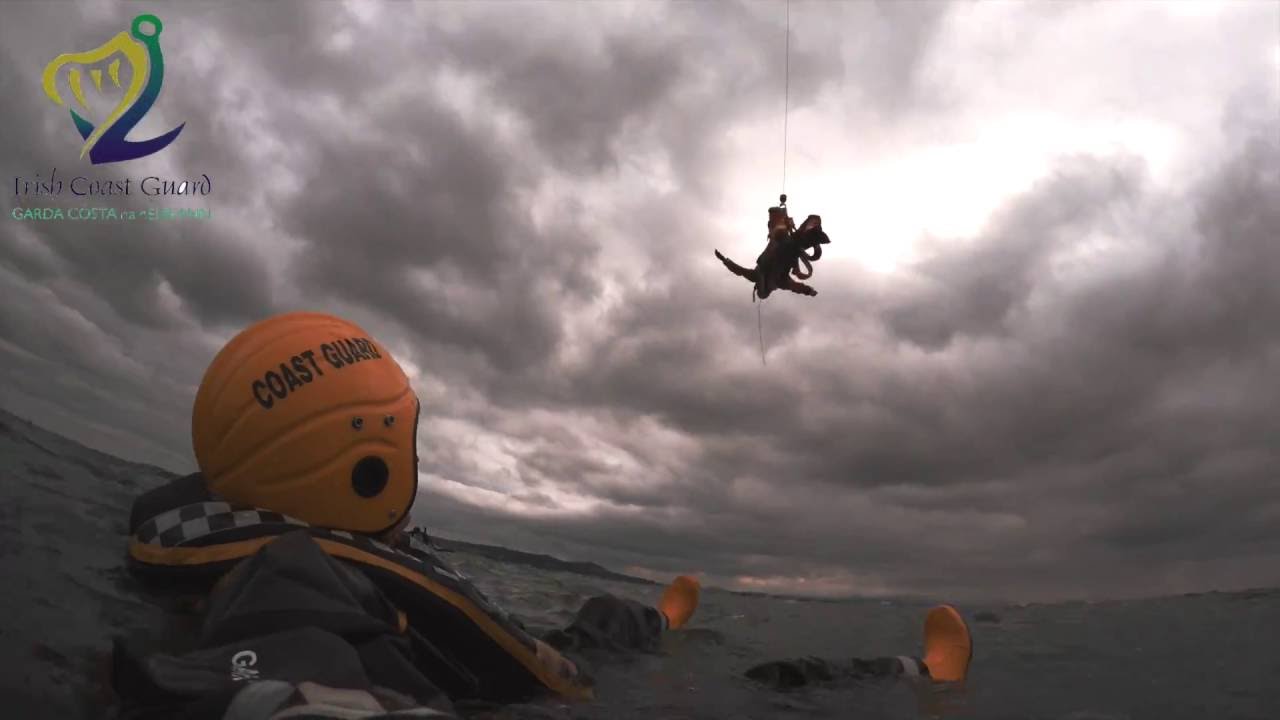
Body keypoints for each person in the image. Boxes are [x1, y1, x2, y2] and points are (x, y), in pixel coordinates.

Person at [109, 312, 970, 719]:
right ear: (366, 465)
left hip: (474, 656)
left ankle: (653, 620)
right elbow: (285, 676)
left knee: (599, 616)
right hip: (503, 694)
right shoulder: (288, 578)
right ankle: (924, 675)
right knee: (768, 687)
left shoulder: (259, 531)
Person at [714, 200, 831, 299]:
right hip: (790, 247)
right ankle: (811, 231)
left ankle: (784, 219)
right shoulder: (780, 281)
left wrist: (725, 260)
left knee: (786, 235)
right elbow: (796, 286)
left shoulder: (758, 275)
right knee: (794, 239)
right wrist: (809, 291)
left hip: (784, 244)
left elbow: (739, 270)